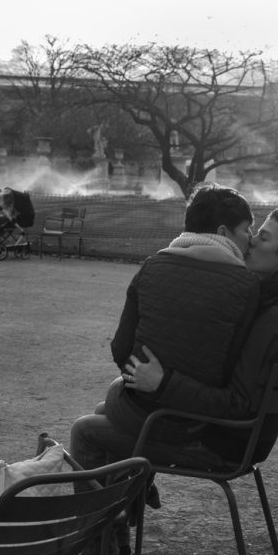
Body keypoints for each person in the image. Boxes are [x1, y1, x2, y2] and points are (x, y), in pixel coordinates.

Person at [43, 206, 278, 555]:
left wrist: (163, 384)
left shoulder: (275, 320)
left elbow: (237, 404)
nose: (249, 242)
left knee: (85, 430)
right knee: (107, 411)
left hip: (222, 443)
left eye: (262, 236)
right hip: (240, 436)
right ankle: (116, 535)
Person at [104, 182, 259, 446]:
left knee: (98, 415)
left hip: (155, 414)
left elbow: (121, 349)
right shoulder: (247, 286)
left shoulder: (152, 267)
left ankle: (136, 488)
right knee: (106, 415)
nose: (251, 239)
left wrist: (152, 382)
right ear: (223, 232)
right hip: (200, 417)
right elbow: (231, 366)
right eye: (247, 230)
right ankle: (138, 487)